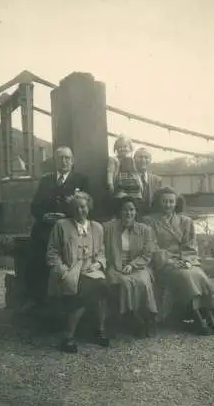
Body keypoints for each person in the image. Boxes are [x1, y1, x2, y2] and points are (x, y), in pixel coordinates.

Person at [143, 186, 214, 336]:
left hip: (185, 260)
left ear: (176, 203)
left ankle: (210, 318)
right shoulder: (149, 221)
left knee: (198, 274)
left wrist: (186, 260)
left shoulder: (186, 221)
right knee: (186, 277)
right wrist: (172, 261)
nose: (168, 205)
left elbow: (191, 245)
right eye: (164, 201)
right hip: (164, 263)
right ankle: (199, 319)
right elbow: (152, 247)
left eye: (171, 202)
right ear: (158, 202)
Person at [46, 192, 109, 353]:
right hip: (70, 270)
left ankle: (100, 329)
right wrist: (63, 271)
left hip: (91, 269)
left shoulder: (97, 227)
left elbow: (101, 252)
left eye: (83, 207)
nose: (80, 211)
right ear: (71, 209)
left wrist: (98, 264)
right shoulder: (62, 226)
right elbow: (52, 253)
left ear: (89, 208)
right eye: (76, 207)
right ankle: (69, 336)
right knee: (85, 289)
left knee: (102, 285)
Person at [28, 146, 89, 304]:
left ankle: (68, 299)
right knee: (38, 255)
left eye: (67, 158)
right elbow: (35, 206)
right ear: (55, 161)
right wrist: (44, 215)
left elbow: (87, 207)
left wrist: (68, 216)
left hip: (70, 226)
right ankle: (38, 299)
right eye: (60, 158)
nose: (64, 161)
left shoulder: (81, 180)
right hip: (47, 227)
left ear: (72, 161)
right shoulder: (46, 180)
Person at [103, 196, 158, 337]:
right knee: (124, 282)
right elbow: (102, 249)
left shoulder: (145, 230)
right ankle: (132, 318)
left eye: (131, 210)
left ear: (136, 212)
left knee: (143, 282)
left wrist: (133, 265)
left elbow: (147, 253)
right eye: (125, 210)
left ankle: (145, 317)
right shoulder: (108, 228)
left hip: (139, 265)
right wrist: (113, 265)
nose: (128, 213)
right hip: (115, 265)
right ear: (119, 212)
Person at [107, 135, 142, 200]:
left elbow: (135, 173)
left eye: (125, 146)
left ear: (130, 148)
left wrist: (140, 184)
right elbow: (110, 172)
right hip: (120, 185)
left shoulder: (131, 160)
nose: (123, 149)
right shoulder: (114, 160)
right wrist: (110, 183)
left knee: (136, 199)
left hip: (133, 185)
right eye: (120, 147)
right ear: (116, 148)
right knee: (121, 199)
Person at [134, 147, 162, 215]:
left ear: (150, 160)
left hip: (151, 220)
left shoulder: (157, 180)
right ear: (134, 159)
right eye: (140, 157)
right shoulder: (128, 178)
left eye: (146, 157)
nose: (143, 160)